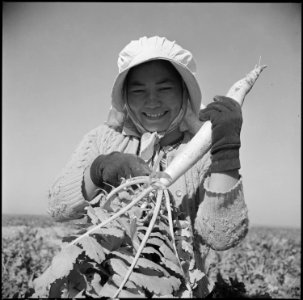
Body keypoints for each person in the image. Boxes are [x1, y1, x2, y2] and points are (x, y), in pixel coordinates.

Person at [48, 36, 249, 298]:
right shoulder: (102, 139)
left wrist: (226, 150)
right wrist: (98, 169)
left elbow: (222, 236)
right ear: (125, 97)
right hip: (102, 287)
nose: (152, 102)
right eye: (139, 91)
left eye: (165, 89)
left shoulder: (203, 151)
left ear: (184, 94)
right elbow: (58, 206)